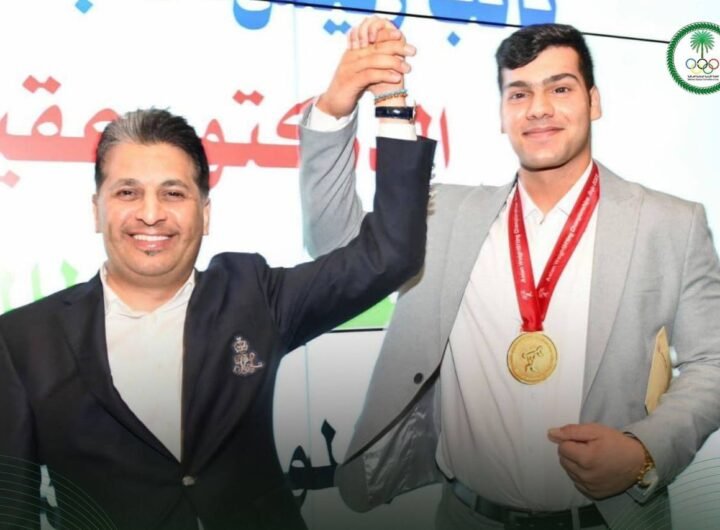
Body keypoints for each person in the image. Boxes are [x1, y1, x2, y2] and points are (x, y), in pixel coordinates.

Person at [300, 18, 720, 530]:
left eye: (560, 88)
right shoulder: (443, 217)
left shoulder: (671, 223)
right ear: (502, 115)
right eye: (518, 93)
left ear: (593, 102)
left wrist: (643, 451)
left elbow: (712, 362)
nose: (538, 108)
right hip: (467, 518)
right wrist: (336, 107)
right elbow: (334, 247)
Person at [0, 39, 434, 530]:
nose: (150, 214)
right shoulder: (23, 341)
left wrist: (385, 102)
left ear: (205, 215)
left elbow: (390, 255)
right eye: (127, 192)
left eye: (173, 193)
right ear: (96, 210)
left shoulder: (252, 294)